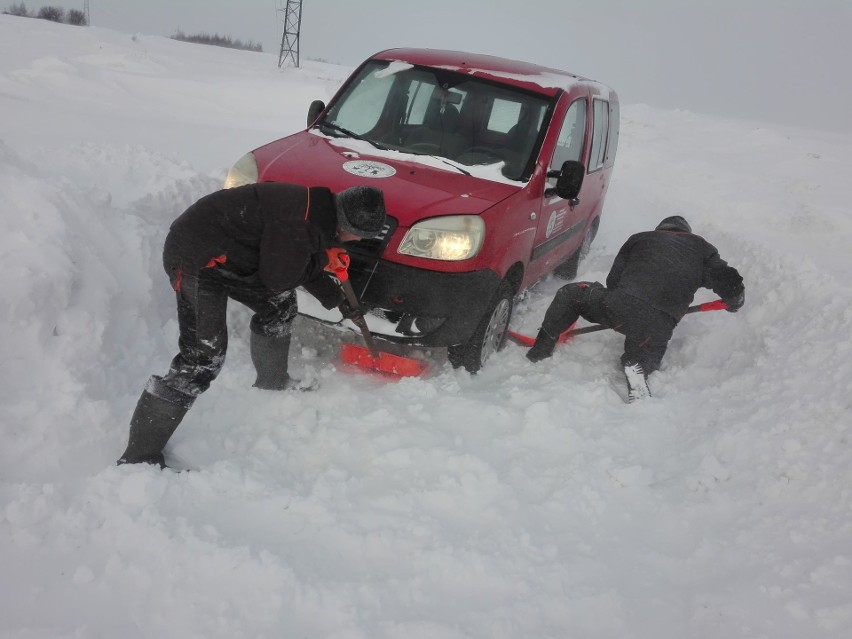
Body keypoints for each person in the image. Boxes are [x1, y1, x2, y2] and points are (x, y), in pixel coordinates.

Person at [118, 182, 387, 466]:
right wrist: (322, 259)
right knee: (202, 360)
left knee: (279, 306)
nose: (355, 241)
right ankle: (139, 457)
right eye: (358, 236)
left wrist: (337, 299)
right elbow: (280, 277)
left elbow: (295, 262)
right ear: (345, 223)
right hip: (197, 257)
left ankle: (272, 382)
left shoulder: (319, 215)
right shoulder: (299, 224)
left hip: (230, 257)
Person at [526, 216, 744, 401]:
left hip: (620, 306)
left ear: (661, 230)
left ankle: (541, 349)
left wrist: (622, 301)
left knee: (571, 293)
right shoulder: (702, 250)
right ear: (686, 233)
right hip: (659, 325)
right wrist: (735, 299)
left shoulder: (641, 239)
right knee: (645, 345)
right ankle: (636, 365)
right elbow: (726, 277)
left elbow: (613, 280)